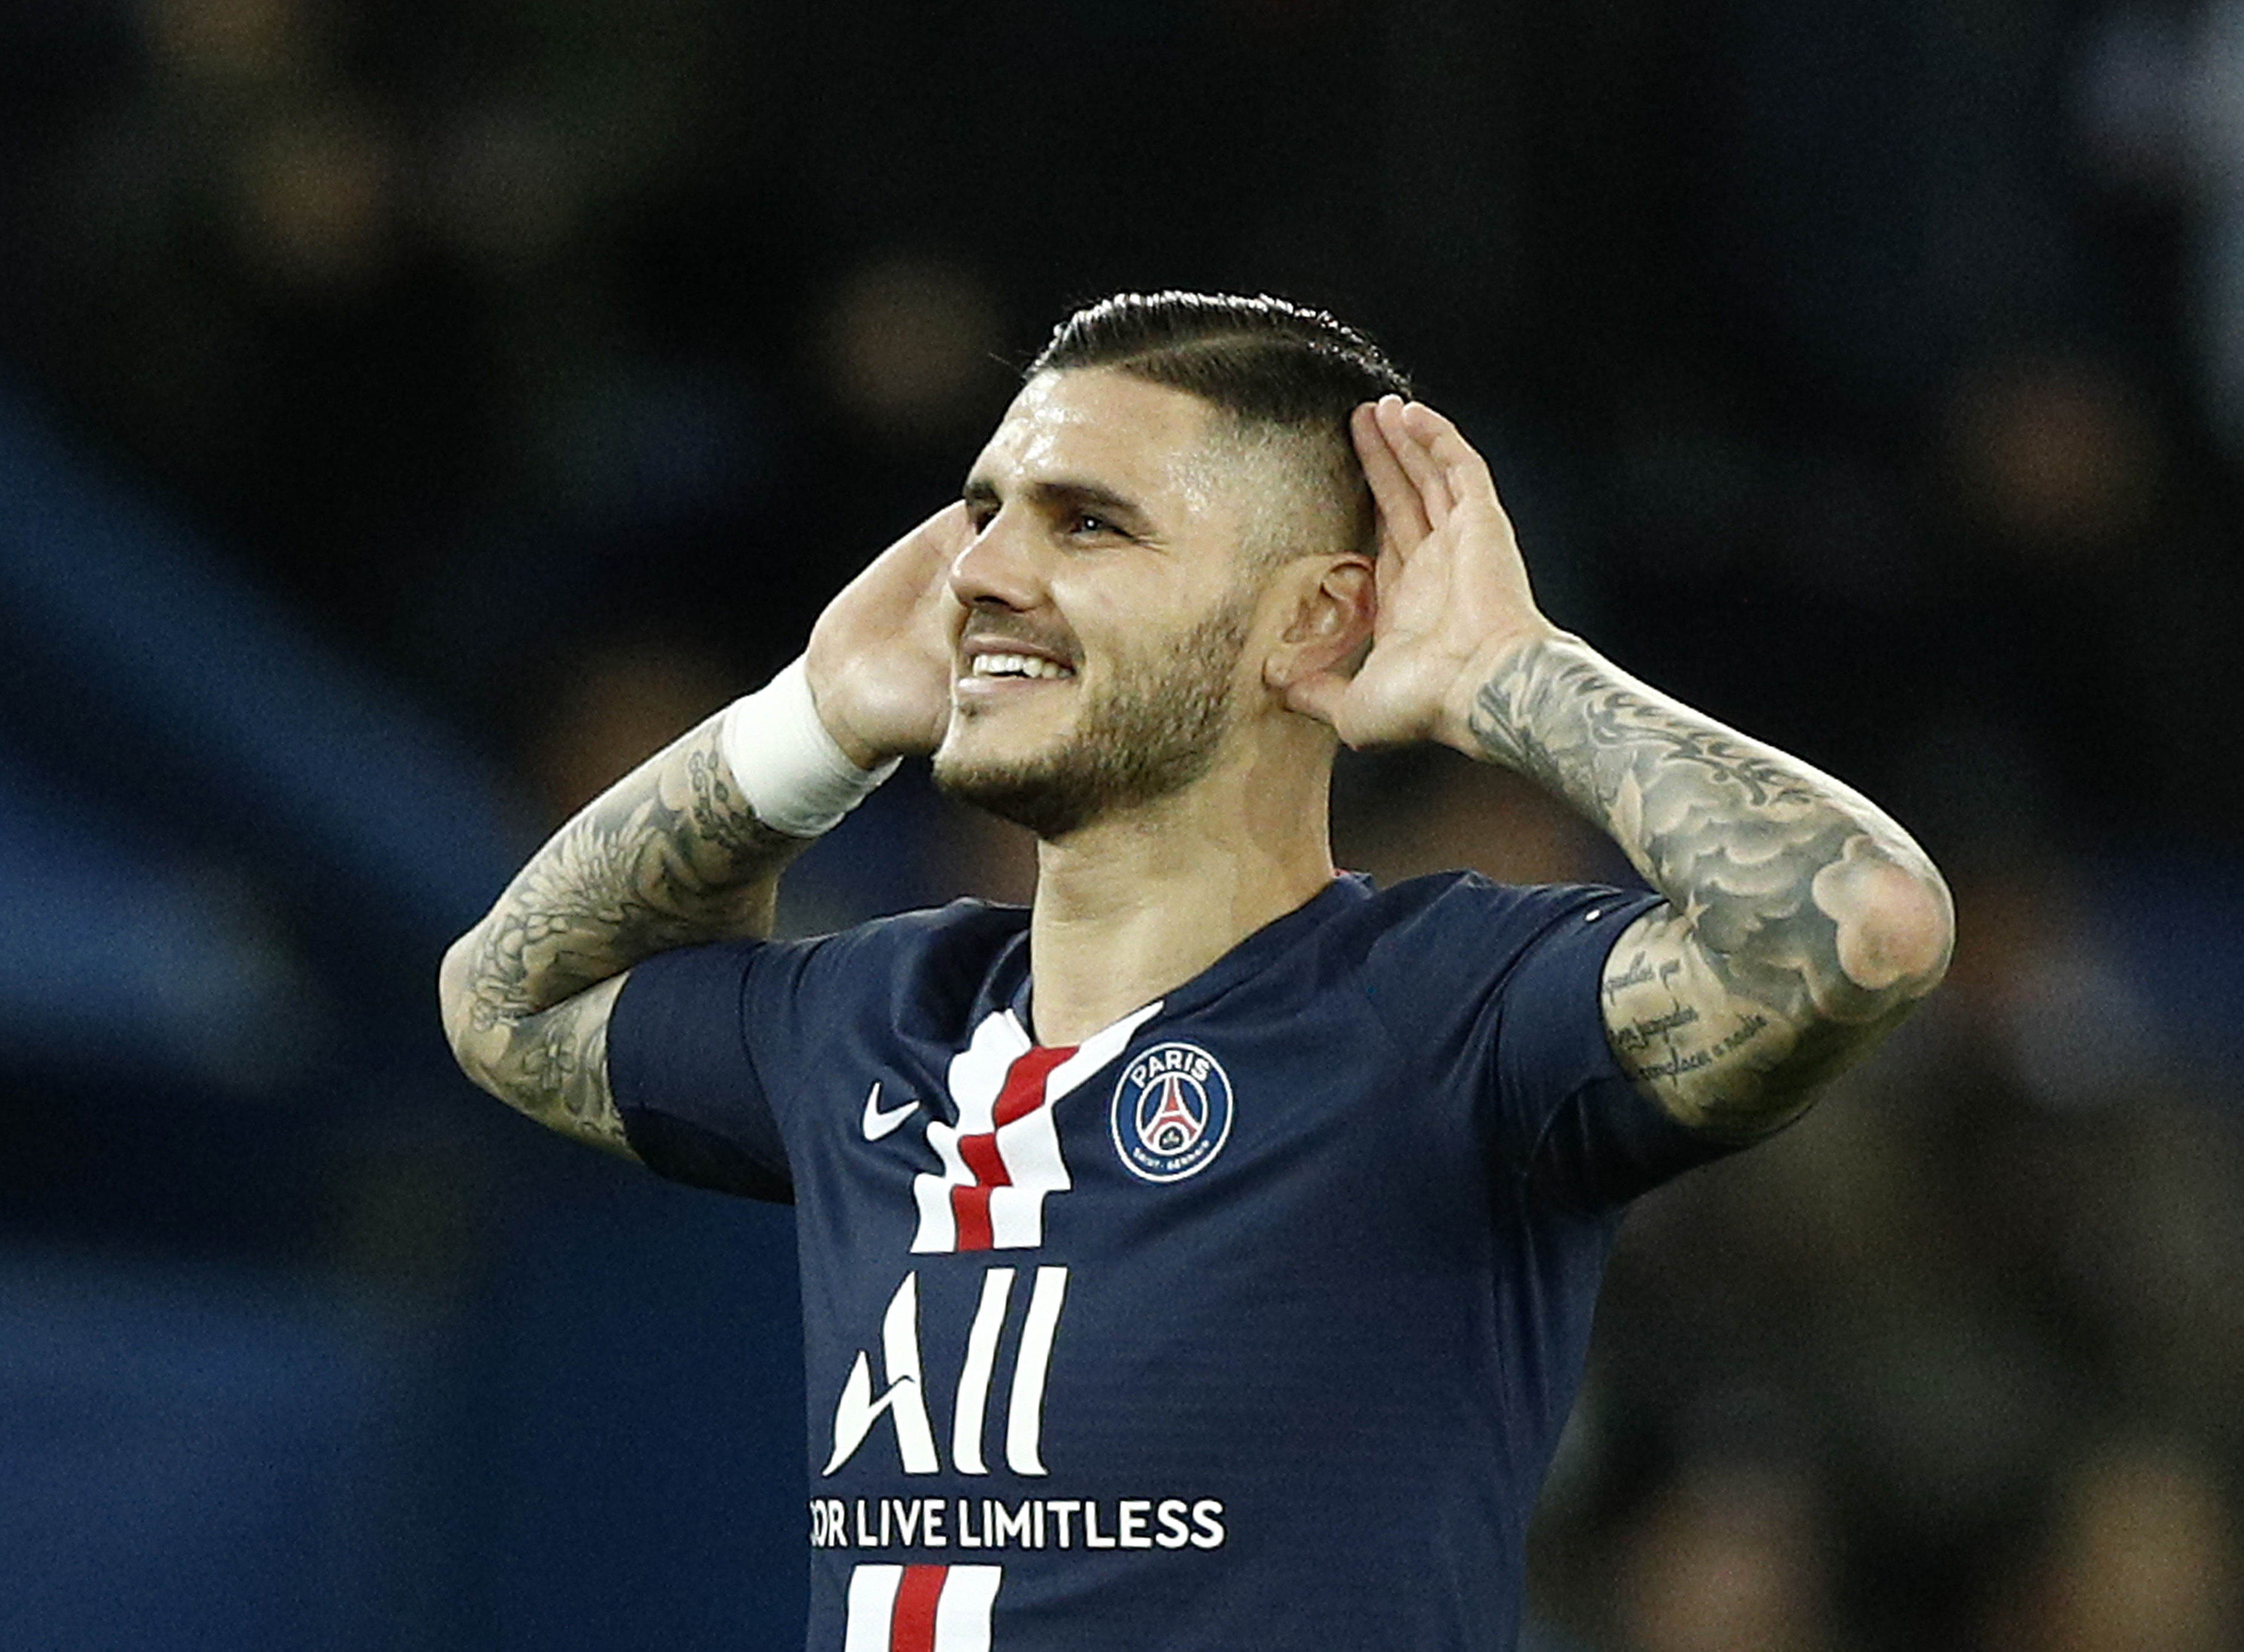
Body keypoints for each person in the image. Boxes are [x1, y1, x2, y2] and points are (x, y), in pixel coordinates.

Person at [438, 291, 1953, 1651]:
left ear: (1314, 618)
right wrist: (811, 724)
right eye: (987, 510)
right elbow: (503, 1005)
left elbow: (1856, 926)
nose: (984, 570)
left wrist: (1512, 676)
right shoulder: (873, 1021)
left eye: (1088, 524)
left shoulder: (1444, 1015)